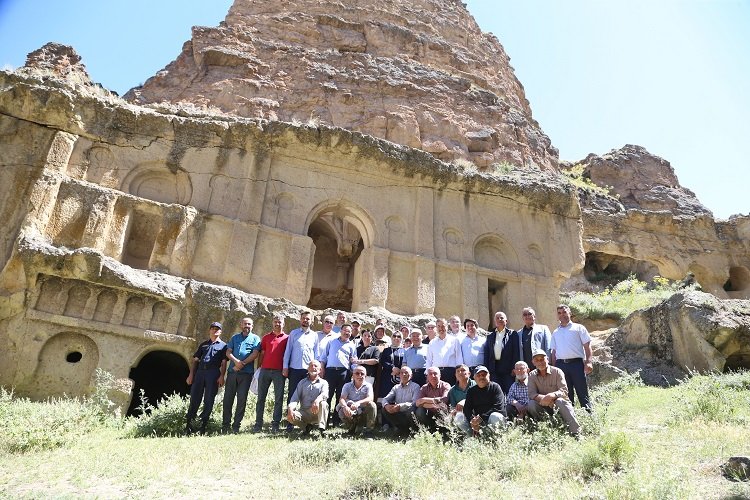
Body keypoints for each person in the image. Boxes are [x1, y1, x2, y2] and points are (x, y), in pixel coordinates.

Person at [185, 321, 228, 435]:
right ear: (210, 330)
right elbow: (195, 361)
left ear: (220, 331)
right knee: (194, 399)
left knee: (209, 400)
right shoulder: (203, 344)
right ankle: (189, 427)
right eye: (213, 328)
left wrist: (222, 376)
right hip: (200, 373)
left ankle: (202, 427)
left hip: (213, 373)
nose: (215, 330)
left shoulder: (224, 346)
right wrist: (191, 375)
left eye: (217, 329)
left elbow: (224, 363)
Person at [527, 348, 581, 436]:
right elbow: (531, 394)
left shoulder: (557, 371)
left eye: (542, 359)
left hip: (559, 404)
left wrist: (551, 396)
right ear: (533, 362)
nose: (540, 362)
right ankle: (544, 429)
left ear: (547, 359)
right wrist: (545, 399)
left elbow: (564, 390)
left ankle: (576, 432)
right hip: (543, 405)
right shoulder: (532, 375)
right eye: (537, 360)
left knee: (560, 401)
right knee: (531, 404)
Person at [222, 317, 261, 434]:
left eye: (249, 324)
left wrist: (242, 363)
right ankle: (225, 425)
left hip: (246, 374)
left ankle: (236, 426)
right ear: (241, 325)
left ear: (252, 326)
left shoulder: (255, 339)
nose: (247, 326)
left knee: (241, 400)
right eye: (245, 324)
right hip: (232, 372)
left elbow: (255, 354)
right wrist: (236, 362)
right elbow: (228, 352)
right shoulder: (235, 338)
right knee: (228, 399)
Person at [550, 304, 593, 410]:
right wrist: (554, 369)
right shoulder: (555, 332)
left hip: (576, 364)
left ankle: (589, 416)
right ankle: (570, 419)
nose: (562, 315)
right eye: (559, 313)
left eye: (564, 312)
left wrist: (588, 362)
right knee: (566, 394)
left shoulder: (579, 328)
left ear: (569, 313)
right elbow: (554, 352)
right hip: (561, 366)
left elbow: (587, 346)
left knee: (582, 391)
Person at [283, 311, 319, 430]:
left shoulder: (314, 336)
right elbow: (288, 351)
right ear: (300, 320)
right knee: (292, 395)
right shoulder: (293, 334)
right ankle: (290, 421)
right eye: (303, 318)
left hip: (308, 371)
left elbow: (317, 354)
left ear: (311, 321)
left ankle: (309, 422)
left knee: (309, 395)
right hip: (294, 369)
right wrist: (285, 367)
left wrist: (317, 370)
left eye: (308, 319)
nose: (305, 320)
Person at [254, 314, 288, 433]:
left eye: (279, 322)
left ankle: (275, 424)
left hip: (279, 372)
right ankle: (258, 424)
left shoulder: (287, 338)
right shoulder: (266, 337)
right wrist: (259, 367)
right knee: (260, 398)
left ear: (283, 324)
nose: (277, 324)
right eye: (275, 322)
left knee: (278, 399)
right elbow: (262, 353)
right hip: (265, 370)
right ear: (272, 323)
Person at [320, 324, 357, 426]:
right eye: (345, 330)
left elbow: (353, 362)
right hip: (330, 372)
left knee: (340, 397)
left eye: (349, 331)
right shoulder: (331, 341)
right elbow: (323, 357)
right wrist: (322, 368)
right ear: (340, 331)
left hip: (344, 373)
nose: (347, 333)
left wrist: (354, 373)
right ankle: (325, 420)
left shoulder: (352, 345)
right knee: (327, 396)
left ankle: (336, 420)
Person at [287, 360, 329, 437]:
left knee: (323, 403)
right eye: (311, 366)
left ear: (320, 370)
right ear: (308, 369)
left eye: (316, 366)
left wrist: (317, 400)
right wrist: (290, 408)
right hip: (304, 413)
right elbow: (294, 398)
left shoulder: (324, 383)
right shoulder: (302, 383)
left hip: (318, 412)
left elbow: (325, 394)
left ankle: (322, 429)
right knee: (290, 416)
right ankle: (306, 427)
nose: (313, 367)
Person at [461, 365, 506, 436]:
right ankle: (471, 437)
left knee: (495, 416)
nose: (481, 377)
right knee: (459, 417)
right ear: (474, 378)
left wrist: (481, 418)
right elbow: (467, 408)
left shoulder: (495, 387)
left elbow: (498, 407)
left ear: (489, 376)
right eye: (478, 375)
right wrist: (472, 420)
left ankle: (496, 438)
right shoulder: (471, 390)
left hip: (491, 421)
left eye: (484, 374)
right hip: (477, 423)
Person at [483, 311, 519, 394]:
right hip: (494, 369)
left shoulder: (512, 334)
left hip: (508, 370)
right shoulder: (490, 336)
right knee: (496, 393)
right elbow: (487, 354)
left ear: (506, 321)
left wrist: (514, 367)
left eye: (502, 318)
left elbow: (516, 352)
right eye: (497, 318)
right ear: (495, 321)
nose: (499, 319)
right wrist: (486, 369)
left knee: (510, 391)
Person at [338, 365, 377, 438]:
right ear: (353, 375)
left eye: (362, 374)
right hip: (351, 411)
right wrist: (345, 407)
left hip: (363, 411)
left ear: (365, 376)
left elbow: (370, 398)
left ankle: (369, 431)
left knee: (372, 405)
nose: (360, 375)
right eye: (357, 373)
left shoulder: (368, 386)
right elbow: (342, 399)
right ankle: (351, 428)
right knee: (341, 410)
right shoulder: (347, 385)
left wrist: (358, 403)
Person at [382, 366, 420, 438]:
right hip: (398, 413)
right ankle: (400, 429)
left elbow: (415, 403)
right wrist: (386, 405)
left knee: (412, 410)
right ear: (399, 375)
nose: (404, 375)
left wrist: (400, 406)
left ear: (411, 376)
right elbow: (385, 399)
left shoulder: (416, 387)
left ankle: (411, 430)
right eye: (402, 373)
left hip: (408, 413)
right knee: (384, 409)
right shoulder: (396, 387)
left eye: (406, 373)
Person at [426, 318, 463, 385]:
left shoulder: (454, 340)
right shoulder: (432, 342)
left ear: (447, 327)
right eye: (439, 326)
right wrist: (428, 375)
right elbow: (429, 360)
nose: (441, 328)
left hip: (451, 373)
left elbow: (459, 358)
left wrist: (459, 374)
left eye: (443, 326)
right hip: (436, 373)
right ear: (436, 328)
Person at [415, 366, 450, 432]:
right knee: (419, 411)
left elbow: (444, 400)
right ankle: (428, 429)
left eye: (435, 373)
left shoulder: (445, 385)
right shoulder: (424, 387)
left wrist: (424, 400)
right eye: (430, 374)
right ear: (427, 377)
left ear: (440, 375)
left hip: (442, 412)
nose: (433, 376)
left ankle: (443, 431)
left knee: (442, 408)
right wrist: (434, 404)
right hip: (429, 413)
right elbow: (417, 403)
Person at [377, 329, 404, 400]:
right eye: (394, 336)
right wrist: (392, 368)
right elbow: (383, 361)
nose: (396, 338)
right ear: (391, 338)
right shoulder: (386, 350)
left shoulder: (404, 351)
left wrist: (399, 370)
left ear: (401, 339)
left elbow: (405, 362)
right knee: (385, 397)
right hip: (387, 376)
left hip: (399, 376)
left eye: (399, 337)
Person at [448, 364, 475, 429]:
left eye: (463, 370)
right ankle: (468, 436)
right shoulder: (452, 390)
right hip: (462, 414)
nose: (460, 372)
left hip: (477, 412)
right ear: (455, 375)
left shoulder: (476, 385)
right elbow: (453, 407)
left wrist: (465, 401)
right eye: (458, 371)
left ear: (469, 373)